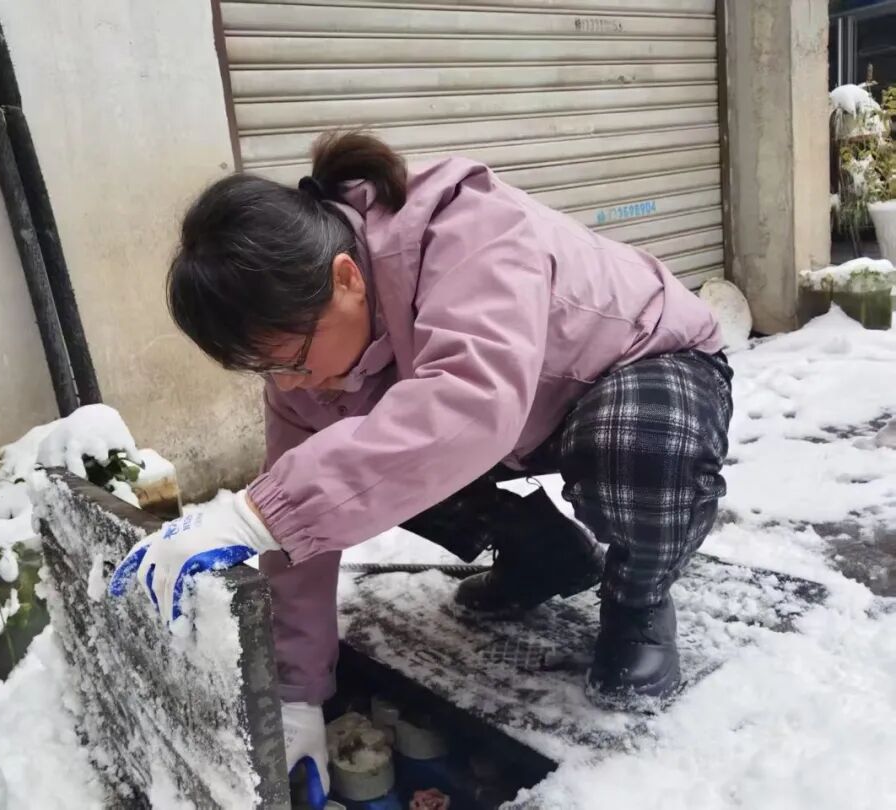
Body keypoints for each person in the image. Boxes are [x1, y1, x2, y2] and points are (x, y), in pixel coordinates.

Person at [109, 132, 732, 795]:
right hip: (522, 421)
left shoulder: (467, 230)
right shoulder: (306, 370)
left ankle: (638, 600)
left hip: (644, 370)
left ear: (346, 279)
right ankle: (545, 556)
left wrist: (260, 513)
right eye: (265, 369)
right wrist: (297, 695)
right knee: (367, 470)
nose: (287, 384)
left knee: (635, 446)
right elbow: (302, 531)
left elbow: (472, 402)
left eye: (291, 360)